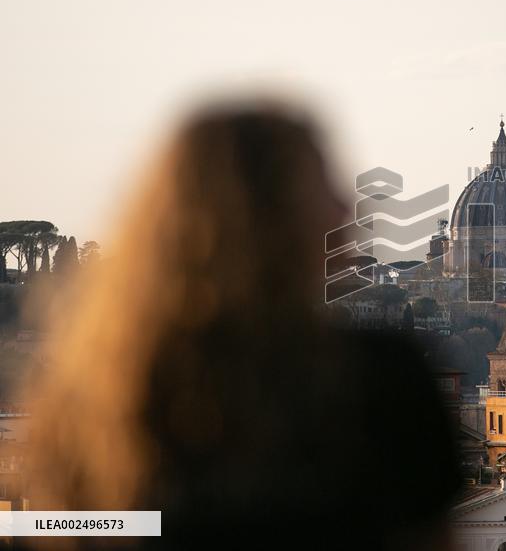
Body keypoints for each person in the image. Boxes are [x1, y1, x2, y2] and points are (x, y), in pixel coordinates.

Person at [27, 99, 459, 548]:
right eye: (322, 183)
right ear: (262, 213)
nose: (346, 205)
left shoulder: (95, 393)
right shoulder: (380, 380)